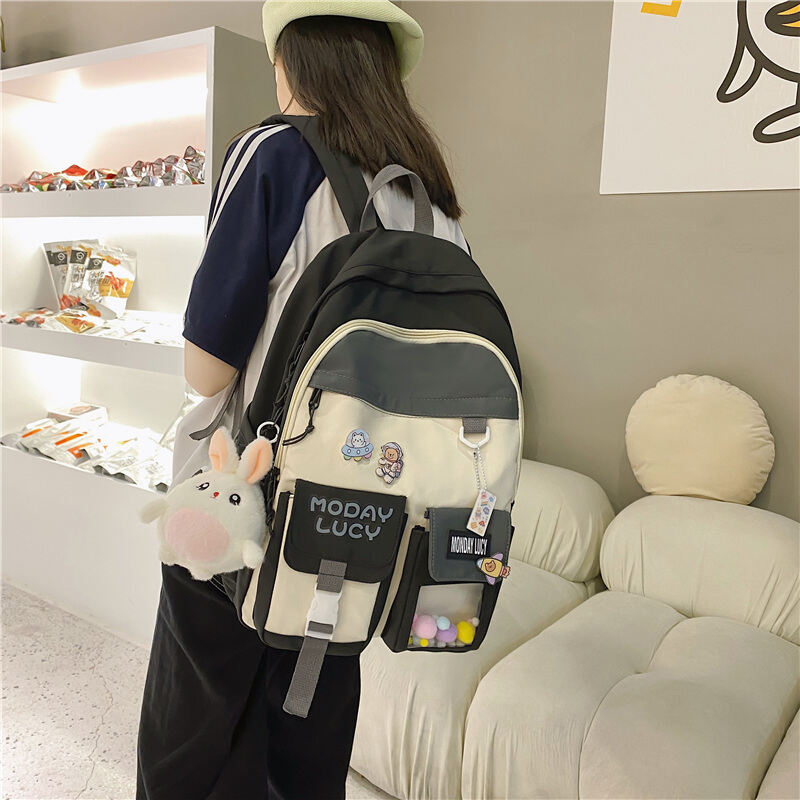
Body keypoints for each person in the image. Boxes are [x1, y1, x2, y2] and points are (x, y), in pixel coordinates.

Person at [136, 2, 468, 798]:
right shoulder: (433, 201)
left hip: (245, 503)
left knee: (197, 737)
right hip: (374, 517)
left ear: (288, 56)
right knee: (309, 734)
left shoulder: (273, 154)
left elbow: (207, 372)